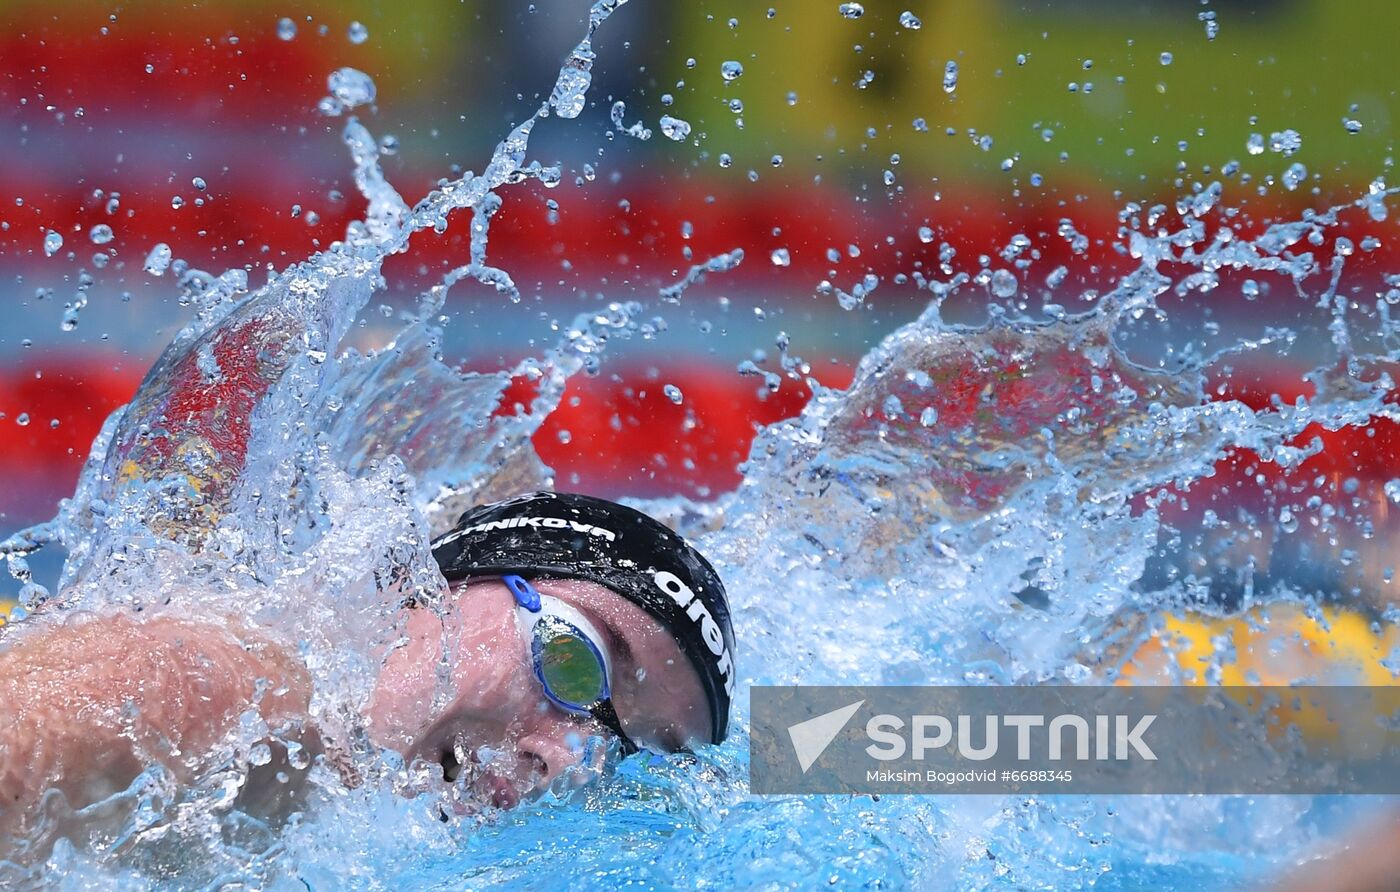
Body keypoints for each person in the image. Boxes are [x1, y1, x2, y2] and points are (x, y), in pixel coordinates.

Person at [0, 491, 736, 840]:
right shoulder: (220, 691)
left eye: (620, 752)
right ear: (429, 589)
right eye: (576, 667)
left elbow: (815, 752)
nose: (563, 758)